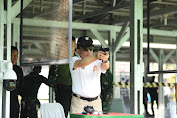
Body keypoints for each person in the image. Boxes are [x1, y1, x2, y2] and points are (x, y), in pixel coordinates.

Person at [69, 36, 110, 113]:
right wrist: (96, 57)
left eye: (90, 49)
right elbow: (81, 63)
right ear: (78, 50)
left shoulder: (96, 60)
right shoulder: (74, 60)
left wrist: (105, 59)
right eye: (85, 49)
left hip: (96, 102)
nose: (88, 51)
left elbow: (105, 67)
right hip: (79, 102)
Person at [48, 36, 76, 118]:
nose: (69, 47)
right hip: (62, 90)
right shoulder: (58, 60)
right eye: (67, 45)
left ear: (75, 46)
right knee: (62, 114)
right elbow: (51, 77)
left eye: (72, 45)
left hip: (77, 92)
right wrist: (56, 87)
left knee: (76, 114)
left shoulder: (79, 59)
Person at [10, 46, 24, 118]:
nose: (15, 57)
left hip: (14, 97)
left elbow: (21, 85)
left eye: (17, 55)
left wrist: (23, 98)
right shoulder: (3, 68)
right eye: (13, 55)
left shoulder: (18, 70)